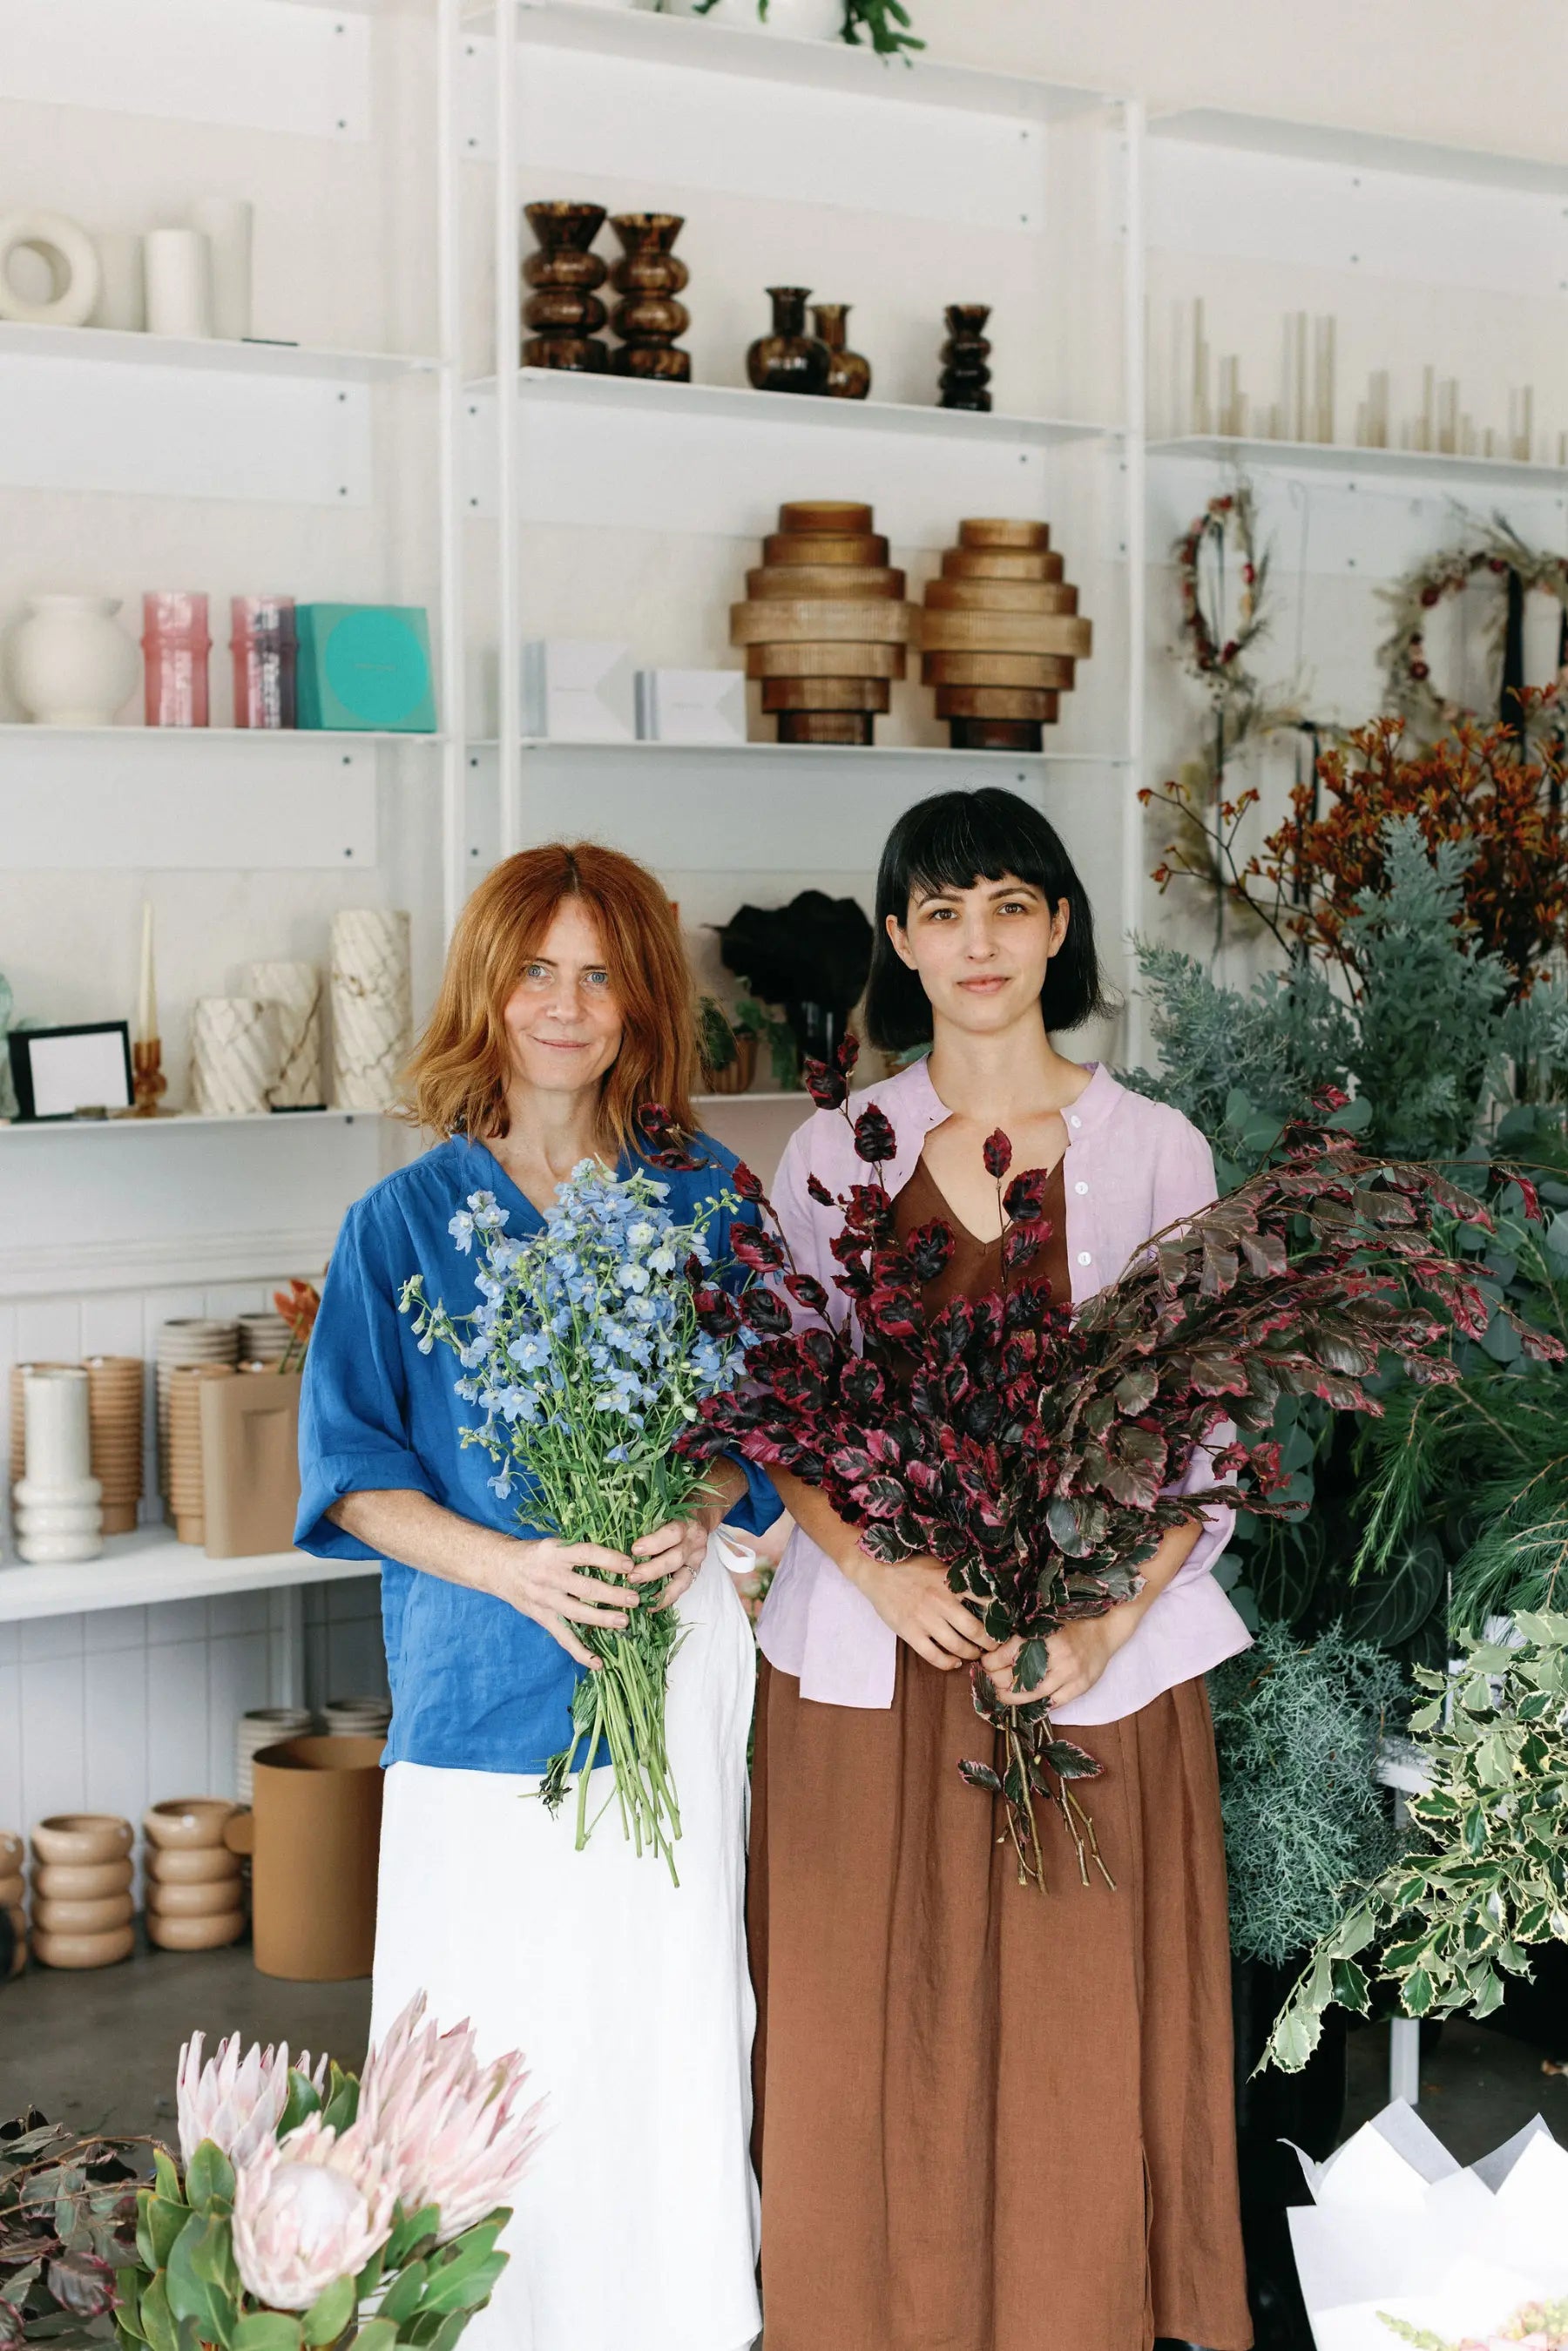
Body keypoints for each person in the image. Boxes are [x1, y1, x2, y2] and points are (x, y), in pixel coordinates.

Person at [748, 786, 1254, 2351]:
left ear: (1058, 929)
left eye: (1013, 907)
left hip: (1081, 1679)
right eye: (945, 912)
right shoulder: (835, 1148)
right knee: (863, 2026)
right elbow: (780, 1412)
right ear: (899, 938)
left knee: (1070, 2043)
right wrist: (886, 1576)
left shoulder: (1157, 1150)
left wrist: (1101, 1633)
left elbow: (1209, 1442)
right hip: (872, 1680)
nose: (981, 944)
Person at [295, 844, 781, 2351]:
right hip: (477, 1684)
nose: (566, 1005)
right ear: (488, 992)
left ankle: (678, 2319)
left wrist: (701, 1515)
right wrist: (509, 1564)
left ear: (642, 1001)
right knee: (483, 2031)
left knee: (667, 2016)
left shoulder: (709, 1198)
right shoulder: (400, 1223)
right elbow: (352, 1473)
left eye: (601, 972)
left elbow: (773, 1423)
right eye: (536, 970)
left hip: (670, 1673)